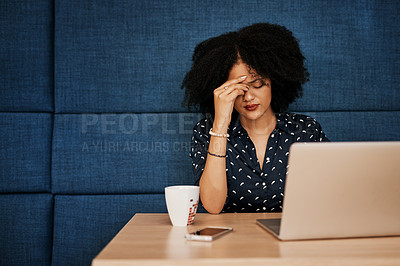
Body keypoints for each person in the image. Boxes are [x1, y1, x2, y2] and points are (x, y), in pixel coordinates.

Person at [181, 23, 329, 214]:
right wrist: (220, 124)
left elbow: (329, 195)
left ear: (274, 80)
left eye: (257, 84)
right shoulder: (205, 132)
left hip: (292, 238)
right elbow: (212, 205)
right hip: (232, 241)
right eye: (238, 89)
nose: (248, 97)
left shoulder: (305, 130)